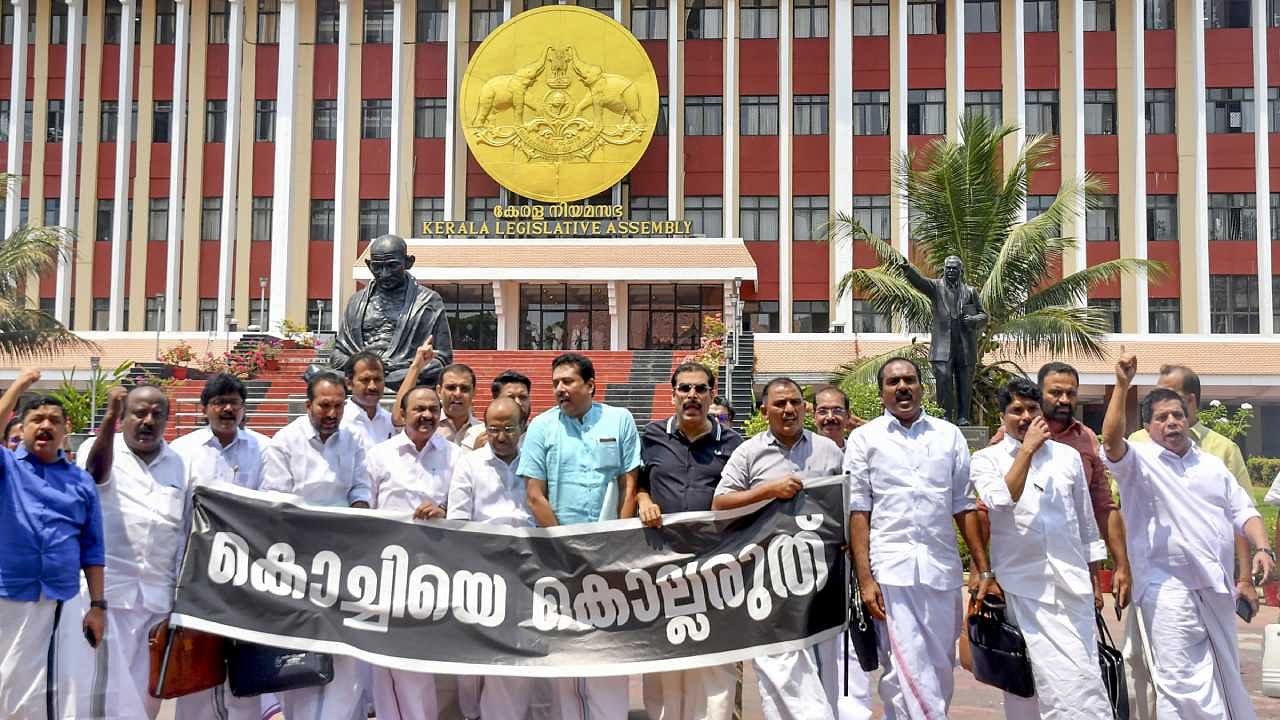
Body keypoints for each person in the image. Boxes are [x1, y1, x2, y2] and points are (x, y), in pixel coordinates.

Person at [1102, 353, 1273, 719]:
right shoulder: (1138, 461)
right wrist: (1121, 387)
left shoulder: (1212, 465)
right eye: (1161, 418)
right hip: (1166, 591)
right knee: (1180, 682)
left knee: (1222, 675)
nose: (1171, 423)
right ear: (1148, 427)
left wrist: (1263, 549)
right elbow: (1111, 440)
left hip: (1214, 587)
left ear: (1189, 416)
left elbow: (1245, 512)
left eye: (1177, 415)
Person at [844, 358, 997, 720]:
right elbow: (858, 510)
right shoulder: (865, 439)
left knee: (941, 663)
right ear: (882, 392)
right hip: (891, 570)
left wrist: (982, 567)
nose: (902, 387)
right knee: (903, 665)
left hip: (940, 568)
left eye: (909, 380)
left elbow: (963, 504)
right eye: (893, 382)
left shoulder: (948, 436)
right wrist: (865, 579)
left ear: (921, 387)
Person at [970, 378, 1112, 718]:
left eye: (1031, 409)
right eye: (1016, 410)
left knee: (1079, 680)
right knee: (1024, 684)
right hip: (1022, 588)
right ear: (1002, 416)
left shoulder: (1068, 458)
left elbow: (1084, 520)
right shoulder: (985, 459)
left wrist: (1094, 576)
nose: (1024, 417)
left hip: (1070, 585)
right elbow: (1001, 501)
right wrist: (1027, 450)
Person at [711, 377, 842, 720]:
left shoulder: (828, 450)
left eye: (796, 403)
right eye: (780, 404)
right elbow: (720, 504)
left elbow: (849, 504)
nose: (789, 410)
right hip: (768, 580)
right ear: (763, 410)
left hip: (823, 581)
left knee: (823, 671)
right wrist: (767, 491)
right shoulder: (749, 452)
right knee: (779, 672)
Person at [520, 352, 640, 719]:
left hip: (610, 557)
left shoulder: (620, 420)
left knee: (609, 648)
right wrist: (564, 546)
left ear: (590, 384)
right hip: (559, 559)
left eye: (568, 381)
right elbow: (534, 495)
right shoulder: (541, 427)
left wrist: (615, 540)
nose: (560, 389)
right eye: (555, 382)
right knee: (566, 653)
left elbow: (629, 484)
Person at [260, 370, 370, 720]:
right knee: (301, 656)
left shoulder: (353, 440)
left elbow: (361, 490)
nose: (332, 413)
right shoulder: (285, 441)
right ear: (308, 405)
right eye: (325, 405)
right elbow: (276, 502)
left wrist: (358, 515)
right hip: (298, 559)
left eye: (339, 405)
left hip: (345, 558)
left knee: (343, 652)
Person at [637, 362, 744, 720]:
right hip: (659, 563)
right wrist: (643, 500)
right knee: (662, 654)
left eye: (700, 389)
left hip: (715, 566)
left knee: (714, 659)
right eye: (685, 389)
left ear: (712, 394)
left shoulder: (733, 443)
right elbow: (637, 483)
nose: (692, 396)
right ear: (673, 395)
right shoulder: (651, 436)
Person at [169, 373, 275, 720]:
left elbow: (268, 508)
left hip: (245, 575)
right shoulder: (183, 451)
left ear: (245, 409)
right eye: (219, 402)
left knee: (243, 662)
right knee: (198, 662)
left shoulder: (262, 448)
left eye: (234, 403)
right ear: (205, 409)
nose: (227, 409)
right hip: (196, 575)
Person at [79, 385, 187, 720]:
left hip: (157, 603)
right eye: (139, 413)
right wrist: (108, 418)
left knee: (146, 699)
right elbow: (93, 476)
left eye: (157, 414)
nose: (148, 421)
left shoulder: (180, 465)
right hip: (107, 598)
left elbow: (182, 534)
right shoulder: (99, 449)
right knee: (100, 695)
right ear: (123, 418)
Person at [0, 394, 106, 719]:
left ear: (66, 429)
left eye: (54, 421)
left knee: (51, 695)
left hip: (61, 602)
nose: (45, 426)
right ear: (22, 426)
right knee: (6, 685)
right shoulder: (6, 468)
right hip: (9, 599)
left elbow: (93, 548)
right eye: (37, 419)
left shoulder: (81, 481)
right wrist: (19, 385)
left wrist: (98, 607)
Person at [366, 385, 462, 720]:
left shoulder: (455, 456)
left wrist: (444, 512)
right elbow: (366, 511)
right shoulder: (380, 455)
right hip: (387, 574)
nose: (426, 416)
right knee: (387, 667)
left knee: (424, 663)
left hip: (436, 574)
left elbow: (463, 509)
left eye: (433, 410)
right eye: (418, 409)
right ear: (403, 413)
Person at [446, 397, 535, 720]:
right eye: (493, 429)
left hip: (527, 572)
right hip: (481, 573)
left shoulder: (535, 463)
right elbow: (457, 521)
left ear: (523, 427)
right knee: (474, 658)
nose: (501, 436)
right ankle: (472, 714)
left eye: (508, 428)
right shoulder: (470, 464)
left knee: (515, 657)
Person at [806, 384, 873, 720]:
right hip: (810, 565)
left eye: (837, 411)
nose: (830, 418)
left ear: (848, 417)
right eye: (823, 411)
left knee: (852, 644)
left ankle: (854, 712)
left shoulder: (862, 454)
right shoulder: (801, 454)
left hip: (854, 564)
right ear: (812, 415)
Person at [324, 234, 453, 389]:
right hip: (364, 370)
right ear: (368, 264)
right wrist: (366, 364)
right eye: (377, 267)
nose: (384, 274)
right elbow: (338, 353)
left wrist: (418, 366)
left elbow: (443, 357)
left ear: (408, 262)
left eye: (392, 266)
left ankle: (373, 379)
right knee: (318, 374)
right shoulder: (356, 302)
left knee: (429, 371)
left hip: (404, 371)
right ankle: (373, 377)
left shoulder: (428, 301)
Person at [895, 254, 987, 424]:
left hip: (965, 346)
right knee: (943, 382)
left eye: (954, 268)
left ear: (961, 271)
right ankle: (944, 417)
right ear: (944, 269)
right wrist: (908, 270)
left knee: (964, 384)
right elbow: (919, 281)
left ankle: (963, 417)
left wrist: (974, 320)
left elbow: (983, 315)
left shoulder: (970, 291)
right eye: (948, 268)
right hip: (943, 347)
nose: (951, 271)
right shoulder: (935, 287)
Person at [341, 350, 395, 447]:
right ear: (349, 383)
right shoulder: (337, 420)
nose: (372, 386)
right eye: (365, 380)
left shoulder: (391, 422)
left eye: (378, 379)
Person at [437, 364, 485, 450]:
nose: (457, 394)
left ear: (474, 392)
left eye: (464, 389)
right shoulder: (426, 430)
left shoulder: (483, 432)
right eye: (451, 388)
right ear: (439, 391)